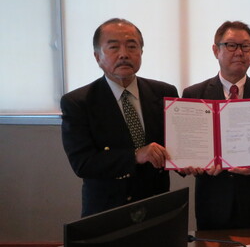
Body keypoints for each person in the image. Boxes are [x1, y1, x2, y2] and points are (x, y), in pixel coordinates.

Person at [60, 18, 179, 217]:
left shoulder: (164, 92)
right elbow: (83, 163)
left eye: (132, 46)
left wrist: (195, 161)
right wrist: (135, 155)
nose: (124, 54)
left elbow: (177, 144)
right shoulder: (78, 102)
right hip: (108, 209)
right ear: (97, 56)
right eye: (114, 47)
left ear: (141, 52)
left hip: (157, 205)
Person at [182, 21, 250, 229]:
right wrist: (191, 163)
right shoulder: (194, 95)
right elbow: (187, 146)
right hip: (213, 199)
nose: (239, 52)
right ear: (216, 50)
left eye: (245, 46)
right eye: (231, 45)